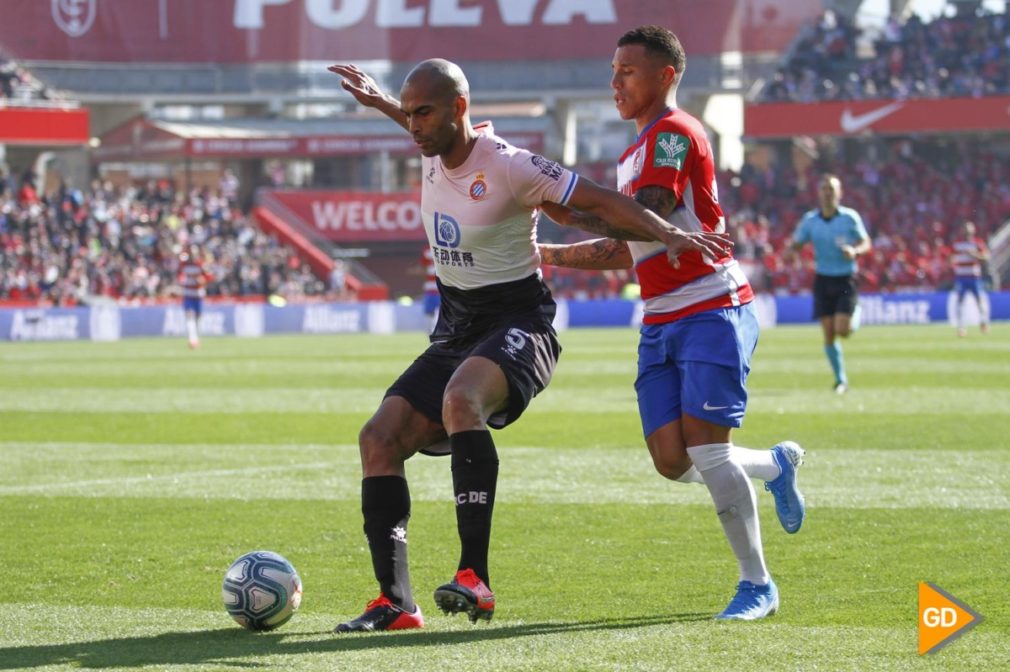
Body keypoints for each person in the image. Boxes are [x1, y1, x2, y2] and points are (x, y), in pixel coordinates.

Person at [326, 58, 731, 633]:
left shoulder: (511, 166)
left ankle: (474, 578)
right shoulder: (431, 146)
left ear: (459, 109)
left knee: (462, 399)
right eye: (408, 114)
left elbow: (594, 199)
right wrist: (381, 103)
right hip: (456, 325)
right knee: (378, 438)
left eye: (424, 113)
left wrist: (666, 232)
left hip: (520, 320)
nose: (414, 126)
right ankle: (395, 603)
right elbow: (422, 125)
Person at [537, 26, 805, 621]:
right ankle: (774, 466)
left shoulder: (674, 135)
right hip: (659, 318)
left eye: (627, 71)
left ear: (666, 75)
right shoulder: (630, 154)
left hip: (711, 305)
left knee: (708, 451)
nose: (615, 82)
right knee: (670, 460)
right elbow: (628, 246)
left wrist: (566, 207)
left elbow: (651, 216)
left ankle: (757, 584)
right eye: (612, 71)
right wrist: (550, 253)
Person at [791, 174, 871, 394]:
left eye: (832, 189)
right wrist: (791, 251)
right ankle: (840, 379)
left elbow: (866, 242)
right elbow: (797, 243)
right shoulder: (810, 220)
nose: (828, 193)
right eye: (824, 188)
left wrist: (855, 251)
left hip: (845, 278)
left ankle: (856, 313)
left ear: (839, 193)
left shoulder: (849, 218)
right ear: (819, 193)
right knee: (828, 334)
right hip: (823, 279)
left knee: (842, 331)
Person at [951, 220, 990, 337]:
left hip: (974, 277)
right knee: (960, 302)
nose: (968, 231)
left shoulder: (978, 243)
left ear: (973, 230)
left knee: (979, 301)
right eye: (966, 229)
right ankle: (962, 327)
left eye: (970, 229)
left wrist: (974, 255)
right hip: (961, 277)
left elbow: (986, 256)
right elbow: (951, 257)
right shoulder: (957, 244)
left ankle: (983, 322)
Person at [177, 245, 211, 349]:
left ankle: (196, 338)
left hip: (198, 294)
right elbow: (179, 275)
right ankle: (192, 339)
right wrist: (181, 280)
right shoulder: (184, 264)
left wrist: (203, 280)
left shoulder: (200, 264)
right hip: (188, 294)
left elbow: (208, 276)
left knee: (198, 317)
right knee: (189, 315)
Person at [420, 245, 440, 332]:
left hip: (440, 289)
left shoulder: (428, 250)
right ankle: (432, 332)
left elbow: (423, 269)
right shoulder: (427, 250)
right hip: (434, 288)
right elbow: (424, 267)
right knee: (431, 313)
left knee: (436, 313)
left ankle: (434, 332)